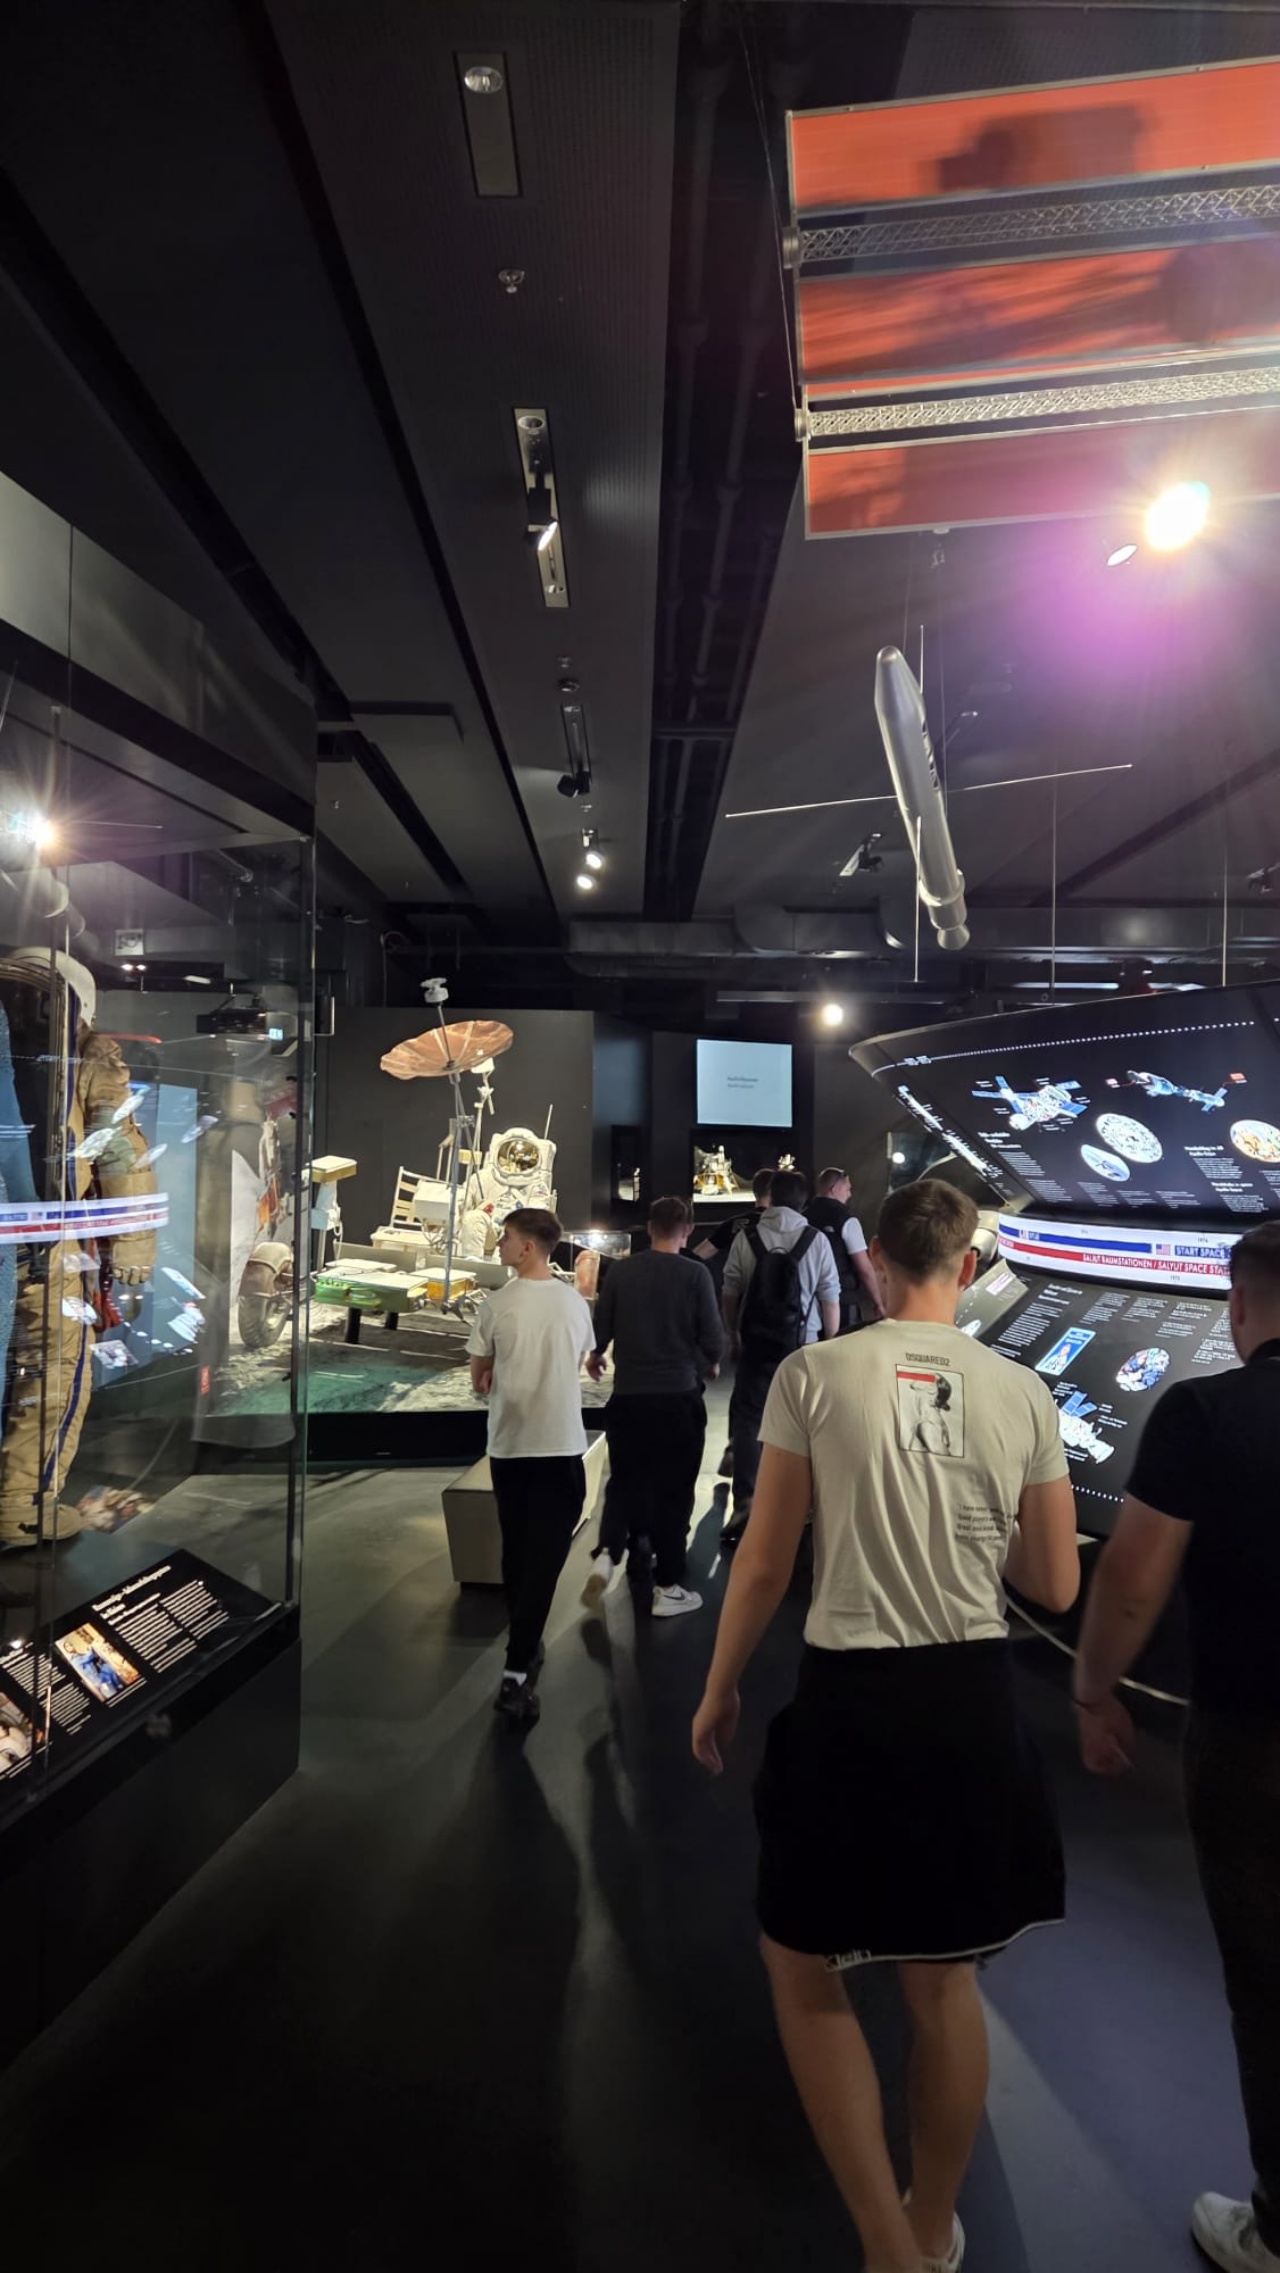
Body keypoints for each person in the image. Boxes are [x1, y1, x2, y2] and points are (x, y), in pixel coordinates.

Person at [693, 1179, 1079, 2273]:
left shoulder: (815, 1375)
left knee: (801, 1955)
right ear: (968, 1265)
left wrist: (718, 1687)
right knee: (943, 1979)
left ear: (877, 1265)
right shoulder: (1022, 1391)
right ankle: (929, 2225)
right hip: (971, 1701)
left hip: (850, 1701)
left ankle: (884, 2247)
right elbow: (1054, 1582)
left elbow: (764, 1560)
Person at [1073, 1218, 1280, 2273]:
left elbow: (1132, 1574)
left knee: (1267, 1976)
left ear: (1237, 1304)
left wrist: (1093, 1689)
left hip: (1251, 1740)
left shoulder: (1204, 1411)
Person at [468, 1206, 595, 1727]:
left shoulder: (496, 1305)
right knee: (543, 1559)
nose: (499, 1245)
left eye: (506, 1237)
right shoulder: (574, 1303)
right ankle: (518, 1668)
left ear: (527, 1247)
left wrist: (495, 1374)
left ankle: (522, 1646)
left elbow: (479, 1378)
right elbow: (580, 1361)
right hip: (560, 1447)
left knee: (518, 1553)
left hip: (509, 1448)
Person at [583, 1195, 724, 1619]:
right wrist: (707, 1362)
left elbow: (602, 1325)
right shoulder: (695, 1274)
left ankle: (608, 1552)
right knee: (674, 1489)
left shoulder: (622, 1271)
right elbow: (713, 1338)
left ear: (649, 1228)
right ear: (688, 1231)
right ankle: (667, 1586)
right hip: (677, 1397)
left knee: (626, 1480)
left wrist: (597, 1354)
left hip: (628, 1396)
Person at [720, 1169, 841, 1544]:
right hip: (802, 1346)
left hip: (757, 1343)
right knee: (802, 1424)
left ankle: (746, 1499)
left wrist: (733, 1333)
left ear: (769, 1197)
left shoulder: (747, 1236)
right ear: (804, 1201)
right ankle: (797, 1506)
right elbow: (830, 1299)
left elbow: (730, 1290)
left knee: (748, 1419)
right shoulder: (816, 1240)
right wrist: (828, 1342)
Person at [805, 1165, 885, 1332]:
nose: (850, 1195)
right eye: (847, 1189)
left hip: (808, 1300)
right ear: (834, 1190)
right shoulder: (846, 1221)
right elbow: (864, 1268)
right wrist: (878, 1302)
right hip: (843, 1300)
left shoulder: (803, 1217)